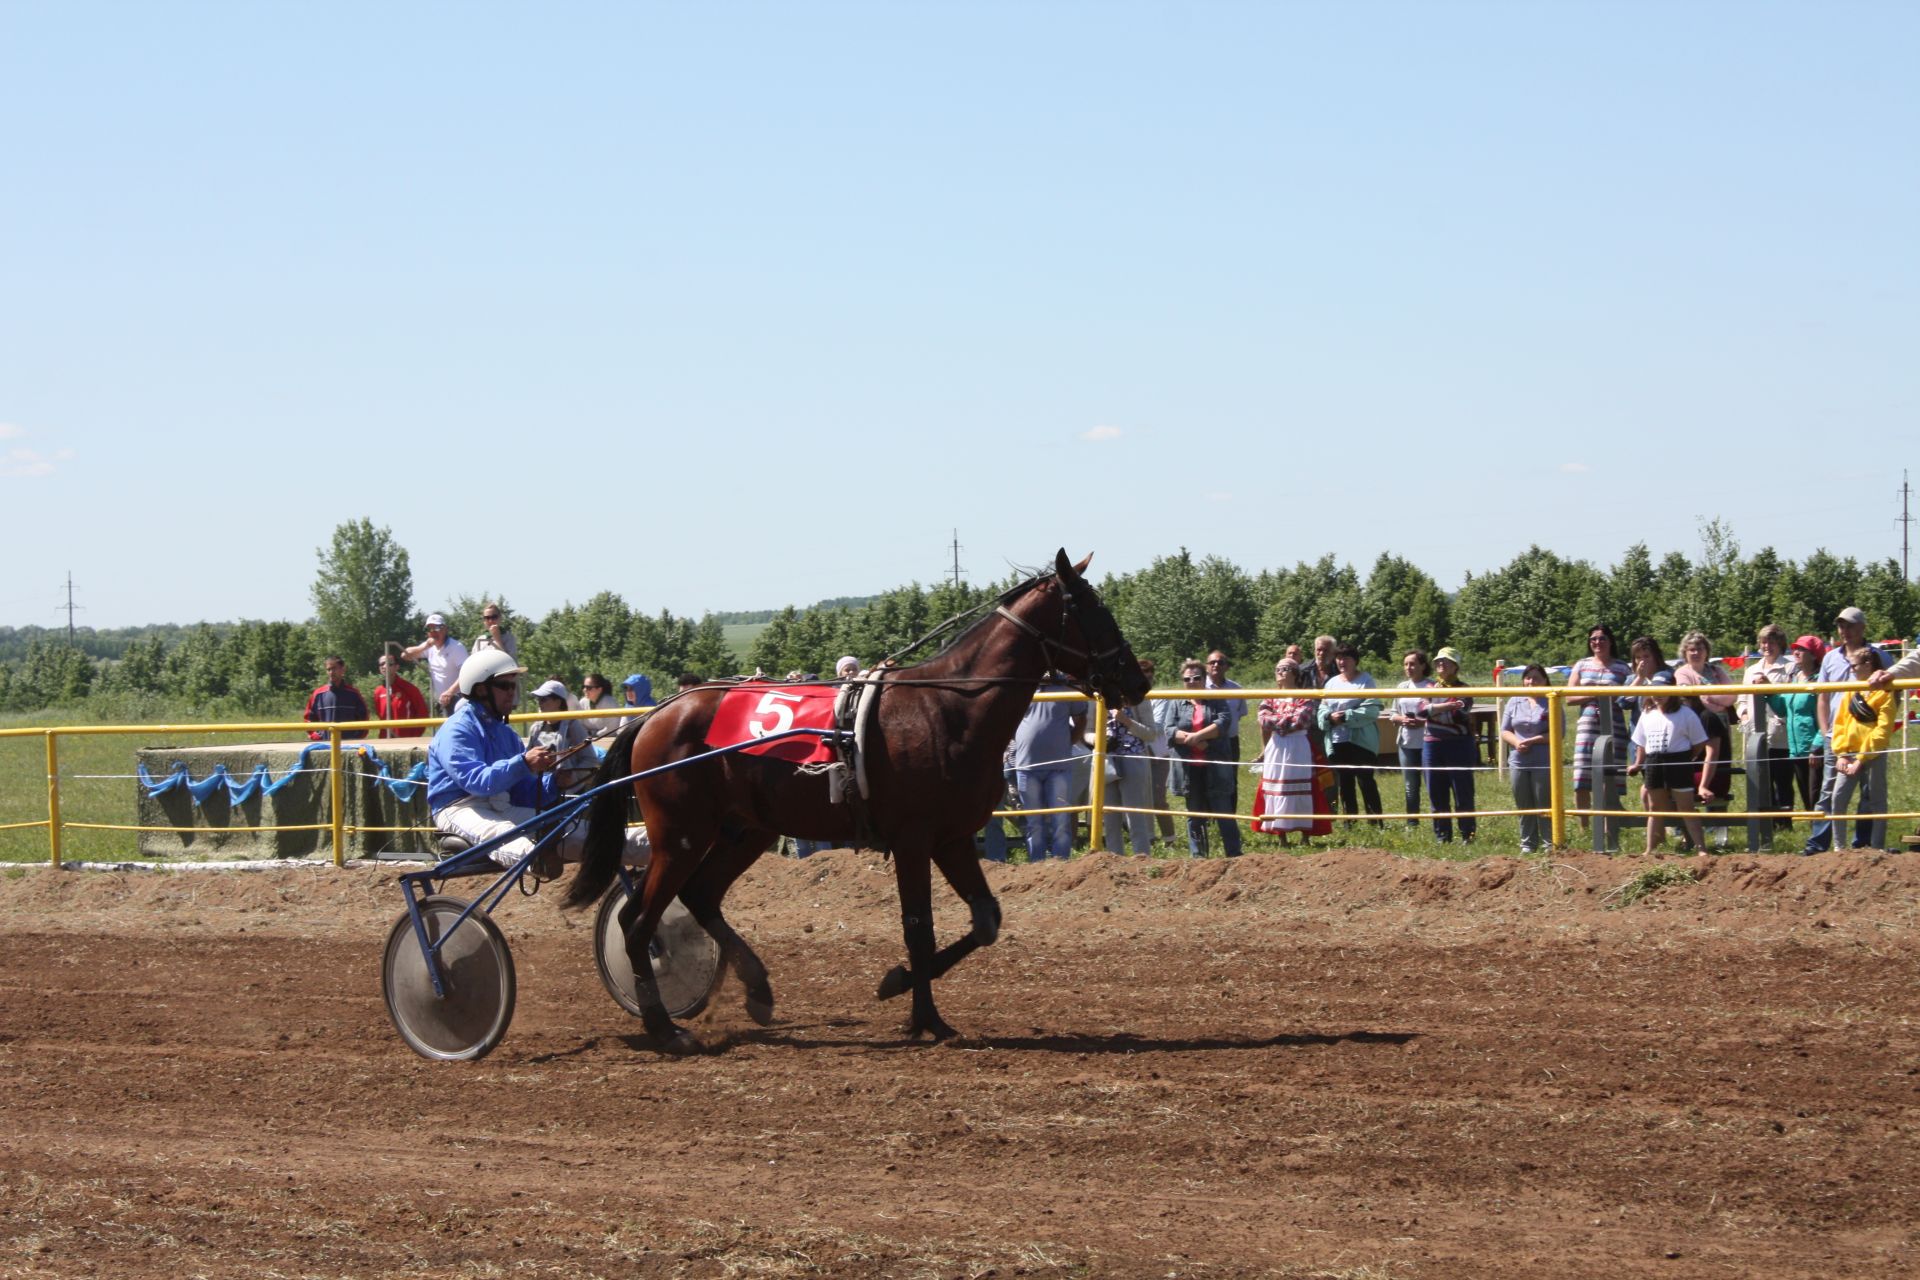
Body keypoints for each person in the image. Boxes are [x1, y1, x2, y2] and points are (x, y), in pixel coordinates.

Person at [427, 650, 646, 872]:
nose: (512, 693)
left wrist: (554, 782)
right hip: (460, 808)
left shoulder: (507, 734)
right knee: (501, 832)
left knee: (569, 827)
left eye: (514, 686)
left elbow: (521, 791)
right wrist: (524, 763)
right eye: (505, 686)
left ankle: (650, 845)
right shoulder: (456, 730)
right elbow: (477, 782)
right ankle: (537, 858)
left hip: (502, 804)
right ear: (481, 689)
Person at [1805, 607, 1888, 854]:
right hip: (1838, 737)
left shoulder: (1880, 656)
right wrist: (1825, 732)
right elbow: (1823, 697)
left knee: (1869, 793)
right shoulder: (1830, 658)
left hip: (1869, 739)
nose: (1845, 631)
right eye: (1841, 626)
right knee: (1830, 792)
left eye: (1850, 625)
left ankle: (1864, 845)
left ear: (1862, 628)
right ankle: (1820, 845)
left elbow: (1892, 692)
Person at [1627, 671, 1709, 855]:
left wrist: (1686, 758)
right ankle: (1649, 849)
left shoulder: (1685, 714)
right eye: (1655, 690)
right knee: (1655, 808)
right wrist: (1638, 764)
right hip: (1654, 762)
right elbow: (1640, 742)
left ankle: (1701, 848)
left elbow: (1699, 741)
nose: (1658, 695)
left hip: (1679, 762)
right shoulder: (1647, 714)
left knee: (1685, 807)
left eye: (1663, 690)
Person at [1007, 673, 1087, 861]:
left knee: (1060, 820)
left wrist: (1066, 744)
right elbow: (1008, 722)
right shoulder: (1021, 689)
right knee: (1034, 821)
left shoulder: (1067, 688)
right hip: (1026, 767)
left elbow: (1081, 722)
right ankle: (1037, 864)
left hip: (1059, 767)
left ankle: (1060, 862)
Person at [1166, 659, 1241, 857]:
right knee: (1194, 813)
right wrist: (1192, 740)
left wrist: (1197, 736)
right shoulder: (1175, 702)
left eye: (1196, 677)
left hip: (1215, 764)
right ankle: (1198, 856)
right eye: (1187, 678)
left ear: (1204, 679)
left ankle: (1234, 854)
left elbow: (1223, 722)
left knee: (1223, 810)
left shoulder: (1216, 699)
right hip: (1189, 767)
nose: (1192, 681)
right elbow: (1169, 729)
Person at [1252, 658, 1329, 847]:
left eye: (1285, 669)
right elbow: (1263, 718)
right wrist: (1285, 723)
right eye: (1277, 668)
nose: (1280, 672)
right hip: (1277, 746)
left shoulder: (1305, 696)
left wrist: (1278, 721)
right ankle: (1281, 835)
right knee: (1276, 788)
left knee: (1301, 786)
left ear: (1295, 673)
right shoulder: (1270, 697)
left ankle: (1305, 834)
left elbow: (1302, 719)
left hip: (1297, 746)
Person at [1828, 646, 1895, 850]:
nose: (1851, 669)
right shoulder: (1852, 691)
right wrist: (1840, 754)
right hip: (1848, 755)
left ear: (1868, 665)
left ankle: (1877, 848)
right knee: (1838, 799)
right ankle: (1839, 848)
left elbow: (1882, 731)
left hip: (1872, 755)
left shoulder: (1885, 693)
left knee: (1877, 800)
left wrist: (1861, 758)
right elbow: (1839, 723)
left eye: (1854, 665)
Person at [1736, 625, 1797, 845]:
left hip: (1780, 732)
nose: (1766, 646)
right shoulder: (1751, 669)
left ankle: (1785, 821)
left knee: (1783, 779)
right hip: (1755, 732)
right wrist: (1743, 715)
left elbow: (1790, 698)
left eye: (1771, 642)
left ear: (1780, 643)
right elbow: (1741, 698)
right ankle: (1766, 821)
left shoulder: (1790, 667)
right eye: (1763, 642)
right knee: (1761, 779)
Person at [1566, 625, 1632, 825]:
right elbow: (1569, 697)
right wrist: (1597, 692)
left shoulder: (1622, 667)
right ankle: (1584, 828)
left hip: (1614, 723)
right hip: (1587, 723)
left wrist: (1612, 693)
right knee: (1582, 775)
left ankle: (1607, 824)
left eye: (1602, 638)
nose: (1597, 642)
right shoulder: (1581, 665)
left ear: (1610, 641)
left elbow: (1628, 697)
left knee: (1609, 775)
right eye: (1593, 639)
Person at [1317, 644, 1383, 825]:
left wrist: (1346, 716)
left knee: (1365, 781)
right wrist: (1330, 718)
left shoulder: (1366, 681)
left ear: (1355, 661)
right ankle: (1350, 822)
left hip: (1361, 742)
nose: (1341, 662)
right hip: (1337, 741)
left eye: (1346, 658)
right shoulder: (1331, 683)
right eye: (1338, 658)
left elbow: (1372, 710)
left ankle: (1375, 822)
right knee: (1345, 783)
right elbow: (1322, 708)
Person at [1419, 647, 1476, 844]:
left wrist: (1434, 708)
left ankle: (1467, 834)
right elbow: (1420, 713)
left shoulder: (1464, 688)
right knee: (1436, 791)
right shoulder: (1429, 687)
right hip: (1432, 745)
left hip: (1458, 744)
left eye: (1446, 661)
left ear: (1455, 666)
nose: (1441, 664)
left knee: (1462, 791)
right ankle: (1442, 836)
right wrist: (1446, 706)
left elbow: (1459, 714)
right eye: (1438, 661)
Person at [1500, 664, 1552, 853]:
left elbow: (1558, 733)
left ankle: (1549, 843)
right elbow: (1504, 730)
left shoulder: (1551, 699)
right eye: (1528, 677)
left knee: (1544, 802)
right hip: (1518, 760)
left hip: (1543, 760)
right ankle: (1527, 844)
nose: (1531, 681)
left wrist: (1535, 740)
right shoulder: (1514, 701)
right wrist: (1516, 742)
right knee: (1524, 803)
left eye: (1536, 678)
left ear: (1545, 680)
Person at [1100, 693, 1161, 856]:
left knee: (1135, 817)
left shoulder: (1139, 698)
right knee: (1110, 819)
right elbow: (1088, 731)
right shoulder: (1098, 696)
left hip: (1133, 758)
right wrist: (1098, 739)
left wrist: (1125, 720)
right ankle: (1114, 860)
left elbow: (1150, 734)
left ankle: (1141, 860)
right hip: (1106, 760)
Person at [524, 678, 600, 800]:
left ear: (558, 702)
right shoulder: (536, 728)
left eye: (543, 699)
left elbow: (590, 760)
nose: (539, 703)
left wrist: (572, 777)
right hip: (540, 792)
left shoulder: (572, 726)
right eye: (538, 699)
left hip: (567, 795)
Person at [1781, 635, 1827, 816]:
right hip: (1796, 748)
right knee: (1807, 796)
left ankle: (1822, 834)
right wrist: (1767, 691)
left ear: (1814, 655)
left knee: (1816, 795)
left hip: (1813, 748)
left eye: (1802, 649)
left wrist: (1817, 747)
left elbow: (1825, 715)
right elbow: (1782, 709)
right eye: (1794, 648)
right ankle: (1815, 833)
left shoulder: (1819, 681)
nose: (1796, 652)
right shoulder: (1794, 678)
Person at [1389, 650, 1435, 831]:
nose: (1409, 667)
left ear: (1423, 666)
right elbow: (1393, 714)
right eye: (1406, 664)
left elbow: (1438, 713)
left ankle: (1436, 821)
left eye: (1413, 664)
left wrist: (1422, 722)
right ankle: (1412, 823)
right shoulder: (1402, 687)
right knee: (1410, 786)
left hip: (1427, 741)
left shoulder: (1432, 686)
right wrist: (1403, 720)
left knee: (1432, 783)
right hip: (1406, 743)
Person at [1136, 658, 1178, 842]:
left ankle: (1169, 838)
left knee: (1158, 798)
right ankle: (1148, 837)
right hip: (1136, 753)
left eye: (1149, 677)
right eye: (1142, 677)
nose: (1146, 681)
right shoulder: (1130, 696)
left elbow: (1158, 727)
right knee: (1139, 798)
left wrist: (1129, 725)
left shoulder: (1161, 697)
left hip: (1157, 754)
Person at [401, 613, 468, 713]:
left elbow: (466, 673)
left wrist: (450, 692)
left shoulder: (457, 647)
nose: (433, 632)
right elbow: (405, 655)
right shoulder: (429, 647)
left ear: (445, 629)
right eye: (429, 629)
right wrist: (423, 647)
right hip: (443, 701)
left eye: (436, 628)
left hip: (459, 699)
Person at [303, 655, 371, 741]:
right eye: (329, 669)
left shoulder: (353, 694)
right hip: (325, 744)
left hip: (349, 745)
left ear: (343, 669)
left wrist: (357, 736)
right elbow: (308, 718)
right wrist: (317, 735)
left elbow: (364, 717)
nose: (331, 672)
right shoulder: (318, 694)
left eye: (334, 668)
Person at [371, 652, 428, 738]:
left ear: (396, 667)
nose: (384, 666)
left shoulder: (409, 689)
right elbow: (380, 715)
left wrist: (413, 736)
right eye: (381, 664)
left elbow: (422, 714)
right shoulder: (378, 691)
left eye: (389, 664)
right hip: (385, 740)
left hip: (406, 740)